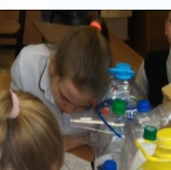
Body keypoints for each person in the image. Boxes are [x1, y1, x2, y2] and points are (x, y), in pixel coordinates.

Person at [11, 18, 111, 148]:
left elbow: (114, 130)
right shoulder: (26, 66)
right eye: (65, 98)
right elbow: (11, 120)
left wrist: (84, 139)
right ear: (53, 66)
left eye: (84, 106)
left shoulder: (109, 86)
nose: (69, 111)